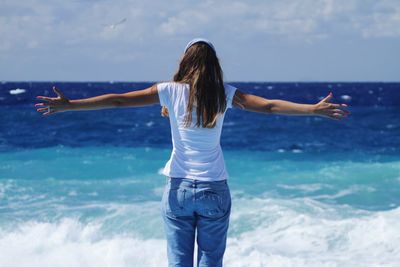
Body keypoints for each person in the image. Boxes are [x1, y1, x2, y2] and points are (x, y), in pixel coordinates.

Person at [35, 38, 349, 267]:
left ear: (185, 63)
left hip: (178, 189)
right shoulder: (225, 94)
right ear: (214, 66)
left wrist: (71, 105)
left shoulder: (169, 92)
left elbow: (118, 100)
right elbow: (267, 106)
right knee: (211, 262)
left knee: (179, 263)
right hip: (214, 188)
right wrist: (313, 110)